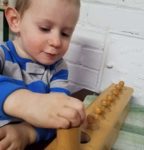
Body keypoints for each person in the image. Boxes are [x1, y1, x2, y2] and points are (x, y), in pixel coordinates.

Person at [0, 0, 86, 149]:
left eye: (65, 33)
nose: (57, 41)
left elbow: (59, 118)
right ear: (15, 21)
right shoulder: (3, 54)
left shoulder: (58, 69)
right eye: (45, 28)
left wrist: (28, 132)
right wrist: (28, 102)